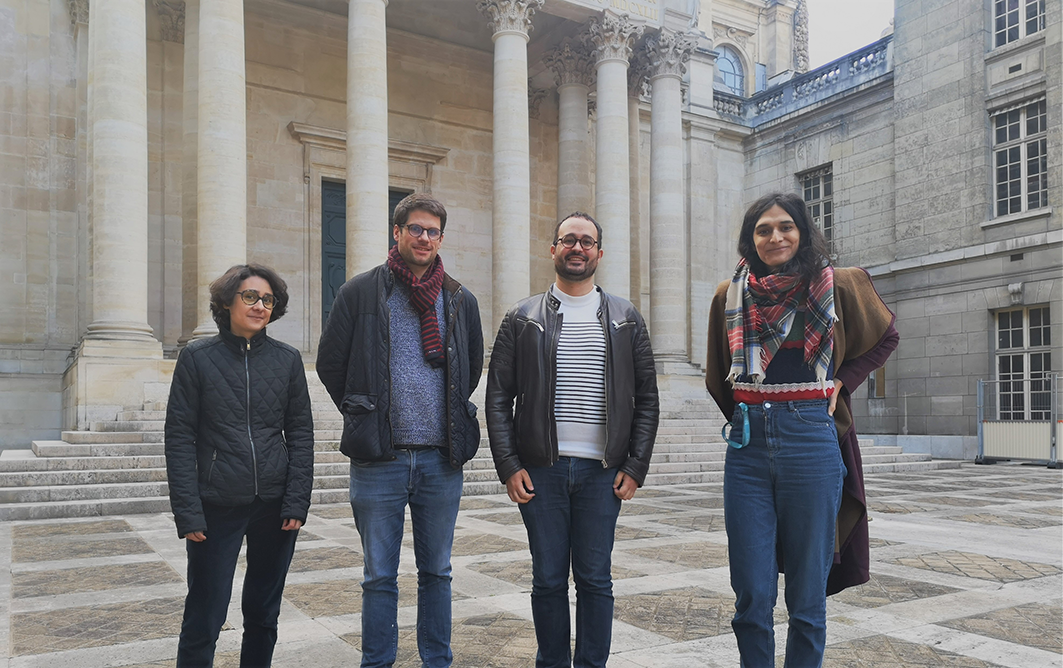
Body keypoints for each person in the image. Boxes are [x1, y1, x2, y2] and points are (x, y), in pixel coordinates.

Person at [705, 192, 899, 667]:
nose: (776, 236)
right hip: (748, 443)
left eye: (786, 226)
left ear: (803, 232)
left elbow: (886, 336)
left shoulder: (840, 285)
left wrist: (842, 382)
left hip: (810, 435)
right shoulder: (729, 294)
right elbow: (717, 375)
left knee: (807, 596)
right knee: (751, 592)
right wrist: (750, 414)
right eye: (764, 229)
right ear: (751, 239)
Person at [316, 193, 483, 668]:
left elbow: (470, 366)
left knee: (437, 572)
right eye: (416, 229)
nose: (424, 237)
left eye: (433, 231)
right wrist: (361, 414)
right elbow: (331, 363)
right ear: (397, 232)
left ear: (441, 238)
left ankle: (436, 660)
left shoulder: (459, 299)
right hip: (379, 461)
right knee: (378, 576)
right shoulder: (360, 292)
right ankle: (378, 662)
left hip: (439, 459)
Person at [486, 212, 660, 668]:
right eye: (568, 240)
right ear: (553, 249)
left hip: (603, 474)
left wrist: (636, 465)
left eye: (586, 241)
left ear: (599, 253)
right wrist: (509, 464)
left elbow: (647, 399)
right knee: (546, 580)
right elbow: (498, 397)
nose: (577, 248)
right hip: (541, 470)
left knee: (595, 579)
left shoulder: (626, 318)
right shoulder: (522, 318)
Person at [165, 263, 315, 667]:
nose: (259, 305)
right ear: (228, 301)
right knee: (205, 614)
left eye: (267, 299)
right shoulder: (197, 358)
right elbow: (179, 438)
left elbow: (300, 432)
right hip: (216, 504)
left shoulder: (286, 360)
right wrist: (188, 511)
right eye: (250, 296)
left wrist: (296, 501)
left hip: (275, 504)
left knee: (264, 614)